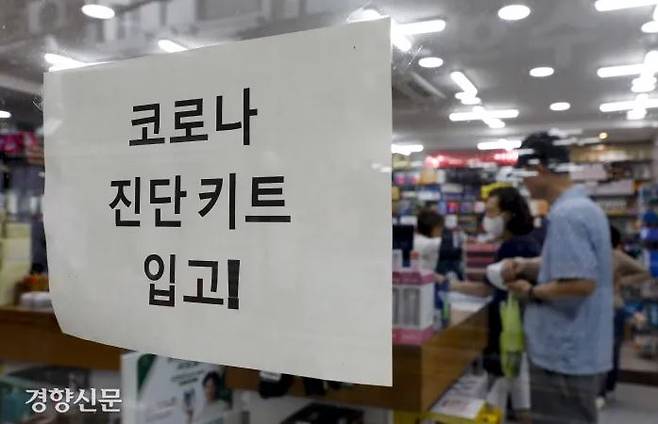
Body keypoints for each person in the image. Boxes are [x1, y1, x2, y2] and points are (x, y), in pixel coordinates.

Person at [502, 131, 613, 424]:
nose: (523, 183)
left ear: (539, 170)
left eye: (524, 174)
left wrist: (530, 291)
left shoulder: (568, 216)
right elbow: (568, 267)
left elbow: (581, 283)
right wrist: (526, 265)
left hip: (566, 356)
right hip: (579, 350)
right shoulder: (582, 208)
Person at [451, 186, 539, 424]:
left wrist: (451, 285)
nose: (486, 219)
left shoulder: (515, 247)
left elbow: (487, 288)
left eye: (491, 213)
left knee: (501, 380)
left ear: (507, 215)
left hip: (508, 325)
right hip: (514, 325)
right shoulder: (519, 242)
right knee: (515, 376)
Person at [599, 225, 651, 403]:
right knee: (611, 349)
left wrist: (622, 281)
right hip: (610, 307)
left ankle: (604, 388)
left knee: (608, 350)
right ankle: (606, 387)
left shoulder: (614, 255)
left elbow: (644, 273)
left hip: (609, 308)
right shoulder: (605, 254)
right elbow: (644, 272)